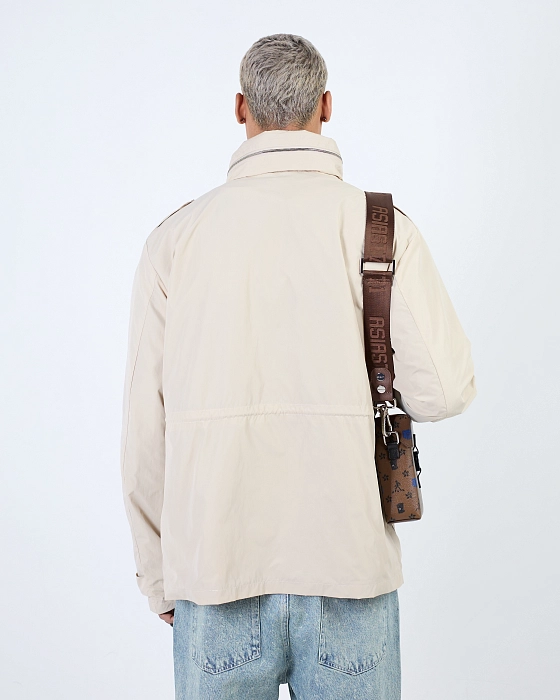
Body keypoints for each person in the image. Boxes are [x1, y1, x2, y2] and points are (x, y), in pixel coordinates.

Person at [120, 33, 476, 700]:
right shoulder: (379, 227)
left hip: (215, 571)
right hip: (349, 571)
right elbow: (445, 391)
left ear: (240, 109)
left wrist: (158, 577)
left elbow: (145, 433)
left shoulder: (176, 240)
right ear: (326, 106)